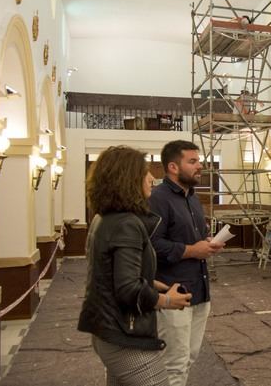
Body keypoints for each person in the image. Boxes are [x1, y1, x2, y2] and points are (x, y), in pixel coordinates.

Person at [78, 146, 191, 386]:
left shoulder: (104, 218)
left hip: (106, 329)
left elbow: (108, 275)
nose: (152, 178)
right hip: (122, 335)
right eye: (145, 173)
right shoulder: (127, 223)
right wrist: (167, 301)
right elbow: (127, 289)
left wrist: (149, 282)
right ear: (126, 179)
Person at [149, 140, 222, 386]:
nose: (200, 166)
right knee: (174, 364)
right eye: (192, 161)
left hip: (199, 291)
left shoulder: (192, 198)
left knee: (188, 358)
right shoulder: (158, 198)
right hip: (173, 293)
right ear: (173, 167)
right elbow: (151, 245)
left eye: (198, 161)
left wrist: (208, 243)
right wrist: (193, 250)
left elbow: (194, 239)